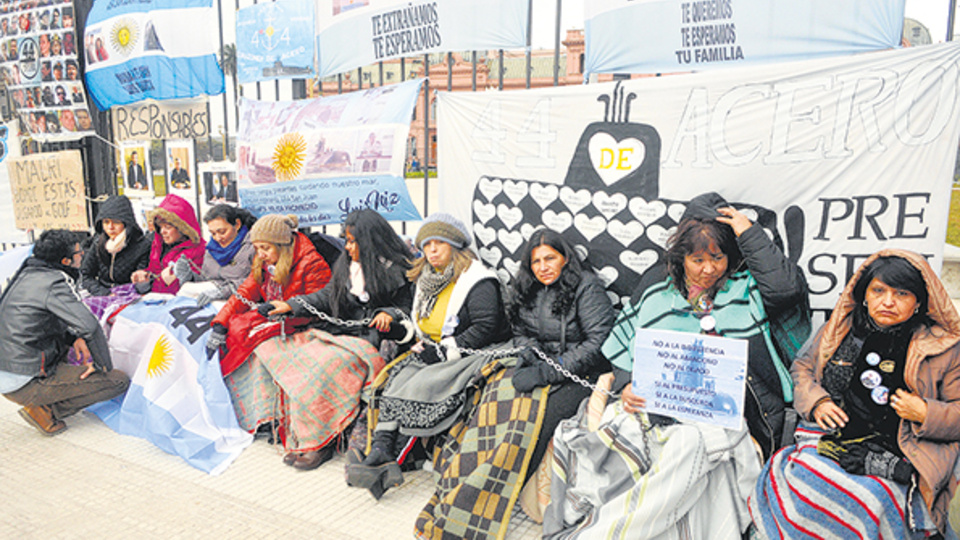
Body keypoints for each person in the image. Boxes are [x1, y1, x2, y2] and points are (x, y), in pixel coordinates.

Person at [543, 192, 811, 539]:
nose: (709, 268)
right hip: (657, 412)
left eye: (718, 257)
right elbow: (625, 345)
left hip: (730, 418)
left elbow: (788, 290)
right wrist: (627, 384)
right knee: (658, 445)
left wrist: (749, 233)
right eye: (697, 259)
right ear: (681, 256)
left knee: (691, 447)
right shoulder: (657, 289)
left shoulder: (746, 290)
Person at [750, 250, 960, 539]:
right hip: (831, 437)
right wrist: (818, 401)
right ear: (864, 295)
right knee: (802, 477)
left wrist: (925, 412)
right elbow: (802, 369)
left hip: (906, 449)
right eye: (878, 291)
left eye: (901, 293)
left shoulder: (943, 348)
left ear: (919, 302)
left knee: (871, 499)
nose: (888, 302)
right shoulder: (841, 328)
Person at [235, 209, 415, 470]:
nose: (348, 246)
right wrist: (289, 306)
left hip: (374, 340)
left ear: (370, 240)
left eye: (353, 241)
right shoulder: (347, 264)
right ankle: (284, 424)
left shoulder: (397, 268)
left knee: (324, 368)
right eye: (347, 240)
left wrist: (389, 314)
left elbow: (409, 309)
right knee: (280, 352)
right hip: (342, 333)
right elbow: (326, 296)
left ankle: (321, 442)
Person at [347, 213, 510, 499]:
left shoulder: (479, 280)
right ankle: (382, 451)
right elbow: (419, 325)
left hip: (473, 351)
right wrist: (398, 330)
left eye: (440, 243)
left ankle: (390, 459)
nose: (432, 250)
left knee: (422, 384)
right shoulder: (426, 278)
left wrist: (444, 351)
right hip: (434, 349)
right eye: (427, 244)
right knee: (397, 378)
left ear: (456, 246)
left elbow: (486, 328)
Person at [0, 230, 130, 435]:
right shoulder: (53, 282)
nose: (82, 256)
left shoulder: (28, 272)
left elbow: (41, 319)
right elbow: (90, 326)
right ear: (66, 261)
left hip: (10, 368)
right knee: (118, 381)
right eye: (79, 253)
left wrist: (72, 337)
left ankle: (41, 402)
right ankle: (45, 410)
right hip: (24, 379)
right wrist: (101, 366)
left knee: (75, 350)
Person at [207, 214, 331, 377]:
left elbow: (318, 306)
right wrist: (220, 323)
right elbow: (245, 292)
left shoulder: (312, 264)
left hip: (297, 323)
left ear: (282, 245)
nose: (260, 254)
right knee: (235, 326)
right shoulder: (263, 263)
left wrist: (285, 311)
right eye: (257, 248)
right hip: (275, 318)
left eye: (265, 248)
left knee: (244, 334)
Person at [173, 204, 256, 305]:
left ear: (237, 224)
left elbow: (257, 280)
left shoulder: (253, 247)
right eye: (213, 233)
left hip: (240, 302)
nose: (218, 238)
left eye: (222, 232)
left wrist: (224, 291)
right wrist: (188, 276)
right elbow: (206, 279)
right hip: (212, 301)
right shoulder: (211, 249)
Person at [130, 194, 204, 295]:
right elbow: (155, 270)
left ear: (182, 229)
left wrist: (158, 283)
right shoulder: (159, 244)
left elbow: (188, 287)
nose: (162, 231)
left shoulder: (197, 251)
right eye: (160, 227)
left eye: (167, 227)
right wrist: (145, 275)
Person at [80, 195, 152, 296]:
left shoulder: (142, 246)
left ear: (126, 223)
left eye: (116, 222)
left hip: (130, 295)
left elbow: (141, 283)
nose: (110, 227)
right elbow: (86, 275)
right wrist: (103, 293)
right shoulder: (98, 243)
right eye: (106, 222)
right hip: (102, 293)